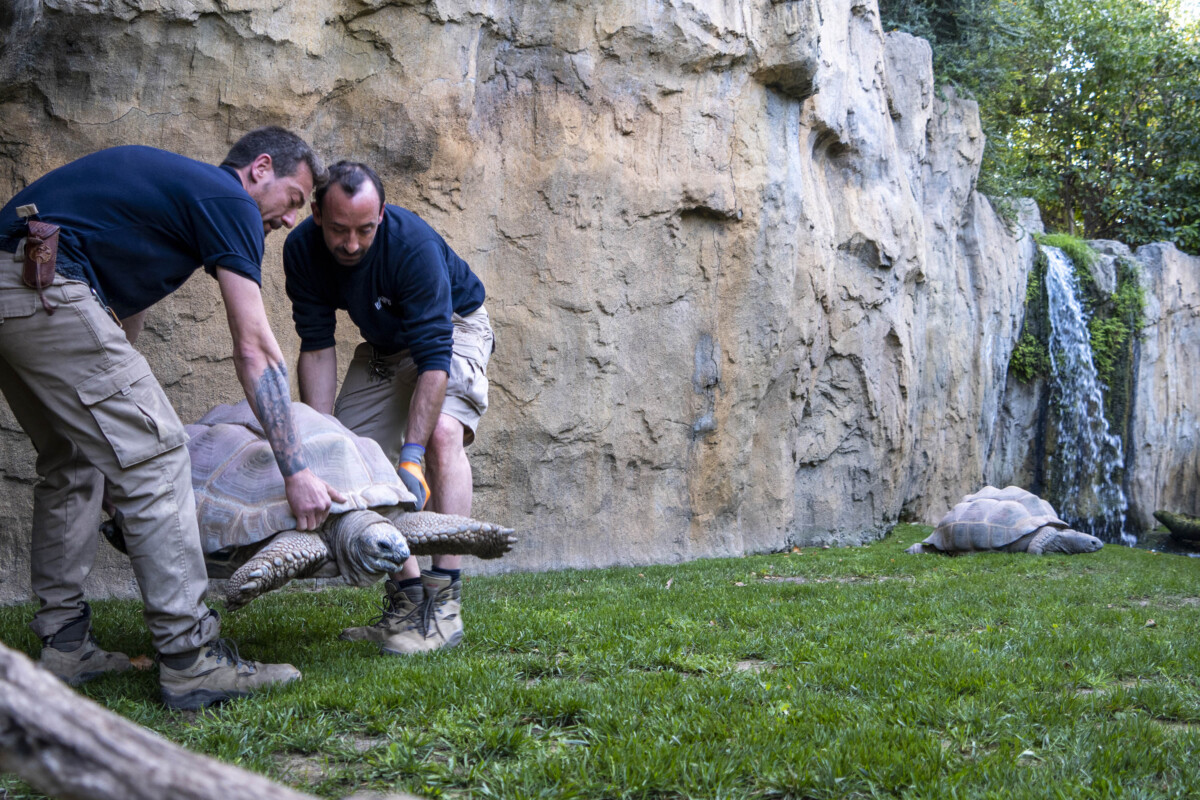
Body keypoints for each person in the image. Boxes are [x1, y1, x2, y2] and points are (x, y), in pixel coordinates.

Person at [0, 127, 345, 709]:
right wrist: (297, 469)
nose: (291, 220)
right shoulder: (229, 199)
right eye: (293, 199)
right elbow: (255, 348)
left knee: (77, 461)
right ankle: (193, 661)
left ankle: (65, 646)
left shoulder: (175, 201)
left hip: (18, 287)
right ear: (261, 168)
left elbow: (113, 322)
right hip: (45, 288)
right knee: (159, 458)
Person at [283, 161, 493, 655]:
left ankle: (445, 605)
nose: (352, 244)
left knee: (441, 435)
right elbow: (316, 346)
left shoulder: (411, 246)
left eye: (364, 229)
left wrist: (412, 456)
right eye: (338, 229)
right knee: (351, 457)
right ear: (316, 213)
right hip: (384, 349)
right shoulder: (301, 251)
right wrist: (320, 440)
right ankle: (407, 599)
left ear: (382, 214)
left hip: (454, 330)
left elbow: (435, 360)